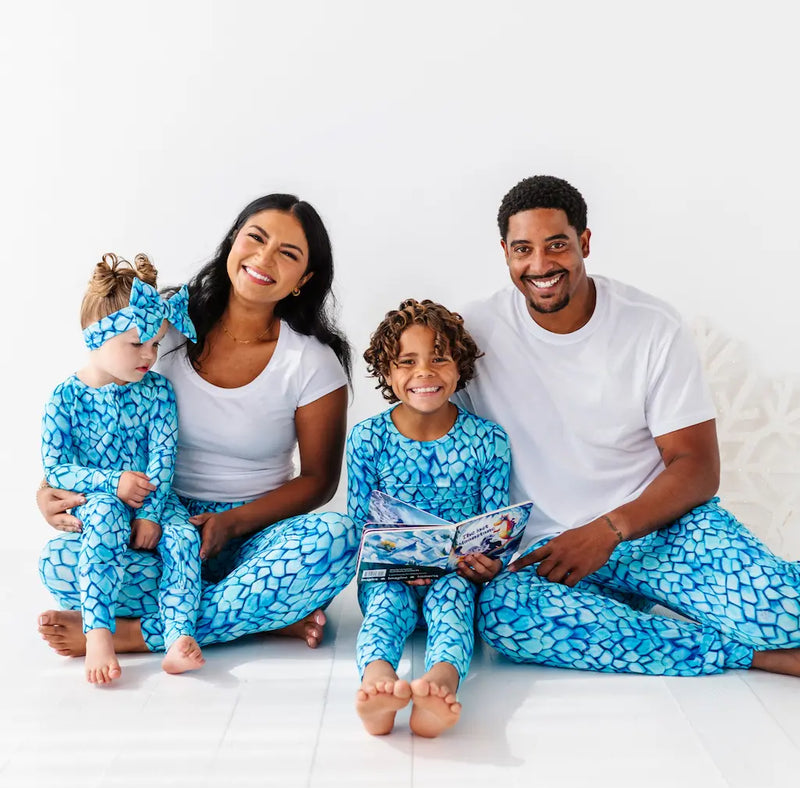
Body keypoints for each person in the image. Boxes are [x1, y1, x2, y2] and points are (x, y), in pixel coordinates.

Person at [457, 174, 800, 677]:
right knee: (503, 617)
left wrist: (607, 531)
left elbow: (698, 467)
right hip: (549, 554)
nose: (540, 265)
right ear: (505, 252)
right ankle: (751, 656)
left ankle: (764, 625)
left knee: (783, 612)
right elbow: (444, 435)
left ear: (585, 243)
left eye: (557, 245)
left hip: (659, 533)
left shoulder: (651, 325)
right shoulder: (475, 332)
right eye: (522, 250)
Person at [38, 193, 358, 664]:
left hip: (257, 534)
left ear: (303, 280)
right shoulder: (164, 322)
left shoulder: (310, 361)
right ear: (232, 242)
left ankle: (132, 635)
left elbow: (319, 481)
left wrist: (230, 523)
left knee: (337, 540)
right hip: (154, 526)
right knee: (57, 564)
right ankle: (260, 615)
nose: (264, 258)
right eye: (256, 237)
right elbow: (97, 392)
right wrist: (49, 489)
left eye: (288, 254)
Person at [348, 299, 511, 737]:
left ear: (459, 367)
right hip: (389, 576)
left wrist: (488, 564)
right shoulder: (367, 439)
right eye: (408, 362)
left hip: (456, 575)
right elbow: (358, 528)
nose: (425, 372)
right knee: (384, 608)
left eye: (438, 358)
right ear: (387, 373)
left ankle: (439, 686)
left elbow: (496, 528)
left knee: (454, 606)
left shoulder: (488, 440)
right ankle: (377, 684)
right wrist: (398, 563)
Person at [42, 253, 203, 684]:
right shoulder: (65, 398)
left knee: (185, 538)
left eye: (155, 345)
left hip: (156, 498)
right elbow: (57, 469)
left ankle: (177, 638)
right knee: (105, 519)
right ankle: (98, 632)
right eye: (137, 345)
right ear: (95, 337)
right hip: (99, 500)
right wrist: (113, 484)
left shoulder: (158, 392)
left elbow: (164, 456)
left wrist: (151, 512)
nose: (149, 355)